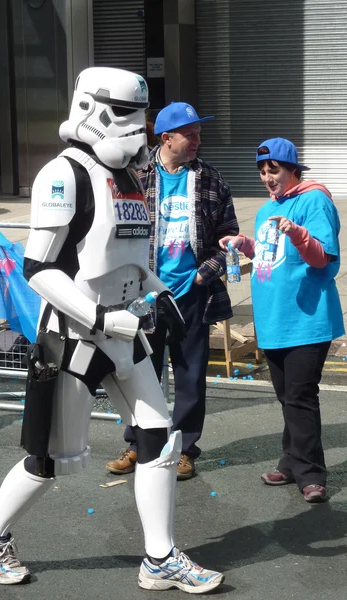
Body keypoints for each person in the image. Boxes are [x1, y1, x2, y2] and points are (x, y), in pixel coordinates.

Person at [0, 67, 224, 594]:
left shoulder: (129, 176)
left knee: (159, 436)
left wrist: (160, 292)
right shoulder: (62, 175)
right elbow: (39, 270)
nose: (139, 130)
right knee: (47, 458)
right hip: (73, 337)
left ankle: (159, 557)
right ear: (91, 108)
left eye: (142, 117)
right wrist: (103, 318)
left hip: (126, 331)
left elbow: (129, 254)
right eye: (127, 114)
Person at [106, 101, 239, 480]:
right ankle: (138, 445)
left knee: (190, 375)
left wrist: (203, 275)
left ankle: (183, 449)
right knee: (138, 373)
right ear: (166, 138)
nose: (198, 140)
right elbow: (113, 231)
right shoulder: (131, 176)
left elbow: (226, 238)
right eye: (190, 134)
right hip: (141, 295)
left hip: (192, 295)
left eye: (199, 133)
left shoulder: (212, 180)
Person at [219, 137, 344, 504]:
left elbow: (322, 257)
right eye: (261, 171)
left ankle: (311, 475)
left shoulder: (314, 200)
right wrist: (244, 245)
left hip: (306, 318)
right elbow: (269, 254)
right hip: (273, 319)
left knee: (301, 398)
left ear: (293, 170)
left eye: (273, 170)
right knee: (287, 398)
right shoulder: (266, 210)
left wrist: (298, 233)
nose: (266, 177)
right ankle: (291, 463)